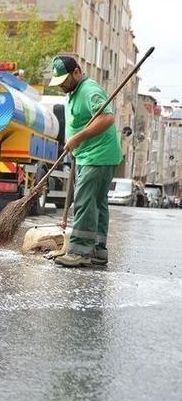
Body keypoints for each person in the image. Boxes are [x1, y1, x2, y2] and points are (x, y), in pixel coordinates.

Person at [48, 56, 122, 267]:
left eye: (64, 80)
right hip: (92, 155)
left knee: (84, 201)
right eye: (58, 81)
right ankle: (98, 250)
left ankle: (79, 251)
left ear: (77, 72)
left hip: (97, 156)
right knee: (97, 202)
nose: (62, 85)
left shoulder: (90, 90)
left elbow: (107, 118)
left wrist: (77, 138)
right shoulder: (74, 92)